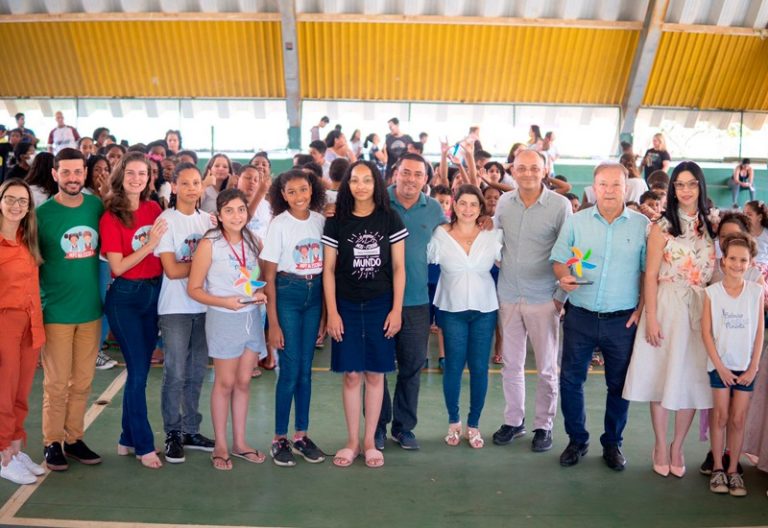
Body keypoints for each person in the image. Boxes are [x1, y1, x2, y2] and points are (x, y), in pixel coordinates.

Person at [551, 161, 649, 471]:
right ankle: (577, 439)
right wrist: (564, 276)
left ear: (625, 187)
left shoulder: (641, 225)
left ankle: (612, 444)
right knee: (570, 381)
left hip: (622, 321)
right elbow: (558, 260)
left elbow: (648, 272)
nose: (609, 191)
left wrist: (641, 309)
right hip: (579, 315)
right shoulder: (576, 222)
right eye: (603, 185)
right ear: (594, 188)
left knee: (619, 386)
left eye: (616, 185)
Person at [623, 161, 716, 478]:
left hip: (698, 309)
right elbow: (649, 275)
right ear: (673, 189)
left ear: (701, 187)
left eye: (692, 184)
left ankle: (678, 446)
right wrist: (650, 317)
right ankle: (661, 445)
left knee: (691, 380)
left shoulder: (710, 226)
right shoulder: (660, 227)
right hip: (664, 305)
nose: (686, 190)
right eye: (680, 184)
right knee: (661, 377)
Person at [322, 160, 407, 468]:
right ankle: (352, 442)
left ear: (377, 184)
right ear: (347, 185)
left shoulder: (390, 219)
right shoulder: (337, 221)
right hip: (345, 304)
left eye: (367, 180)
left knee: (374, 374)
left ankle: (370, 441)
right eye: (354, 180)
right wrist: (332, 312)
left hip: (380, 303)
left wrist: (396, 310)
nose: (360, 186)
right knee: (351, 374)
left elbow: (399, 268)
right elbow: (328, 270)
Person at [493, 149, 572, 452]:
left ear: (545, 170)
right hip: (509, 294)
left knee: (547, 368)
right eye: (521, 168)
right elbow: (496, 242)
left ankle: (544, 425)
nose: (527, 173)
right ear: (513, 170)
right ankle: (514, 421)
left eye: (534, 168)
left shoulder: (559, 206)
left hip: (544, 298)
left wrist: (560, 297)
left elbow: (568, 253)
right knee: (511, 363)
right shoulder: (504, 203)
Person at [188, 189, 268, 470]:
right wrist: (224, 302)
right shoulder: (210, 243)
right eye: (230, 210)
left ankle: (240, 443)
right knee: (225, 383)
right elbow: (194, 289)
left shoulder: (252, 240)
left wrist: (261, 294)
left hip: (251, 317)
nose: (237, 215)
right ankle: (221, 444)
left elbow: (255, 278)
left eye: (241, 210)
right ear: (219, 215)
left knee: (244, 382)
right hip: (223, 318)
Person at [36, 148, 104, 471]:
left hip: (91, 311)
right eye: (67, 172)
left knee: (83, 381)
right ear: (54, 174)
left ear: (85, 174)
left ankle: (74, 438)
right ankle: (52, 442)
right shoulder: (41, 215)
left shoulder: (96, 207)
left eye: (78, 172)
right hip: (57, 313)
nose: (73, 178)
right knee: (56, 383)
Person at [100, 151, 168, 469]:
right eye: (131, 173)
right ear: (121, 175)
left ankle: (127, 437)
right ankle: (143, 445)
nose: (137, 179)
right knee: (139, 372)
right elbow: (119, 267)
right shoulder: (110, 215)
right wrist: (149, 245)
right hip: (125, 297)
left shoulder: (154, 208)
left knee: (139, 373)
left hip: (153, 294)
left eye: (143, 173)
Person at [377, 153, 447, 451]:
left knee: (412, 366)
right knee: (378, 366)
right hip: (378, 298)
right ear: (395, 173)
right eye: (406, 172)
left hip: (417, 301)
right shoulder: (377, 201)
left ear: (426, 179)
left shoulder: (433, 209)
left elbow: (452, 239)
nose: (410, 179)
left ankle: (404, 428)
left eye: (418, 175)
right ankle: (378, 426)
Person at [261, 169, 327, 467]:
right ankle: (279, 438)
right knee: (289, 370)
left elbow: (327, 273)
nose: (299, 196)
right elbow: (269, 276)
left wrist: (325, 315)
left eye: (303, 189)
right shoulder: (279, 224)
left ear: (312, 190)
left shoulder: (320, 221)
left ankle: (301, 435)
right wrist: (272, 323)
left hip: (314, 297)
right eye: (292, 192)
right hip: (288, 292)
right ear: (282, 195)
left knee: (305, 371)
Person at [428, 185, 501, 448]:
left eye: (474, 204)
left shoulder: (492, 234)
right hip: (451, 309)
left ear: (481, 208)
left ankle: (474, 424)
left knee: (480, 368)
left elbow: (510, 261)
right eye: (463, 203)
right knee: (454, 367)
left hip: (484, 309)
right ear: (454, 206)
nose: (468, 209)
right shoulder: (440, 234)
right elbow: (420, 258)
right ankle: (454, 422)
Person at [154, 162, 217, 464]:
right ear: (175, 187)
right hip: (176, 309)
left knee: (195, 373)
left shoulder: (209, 221)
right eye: (186, 183)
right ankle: (172, 432)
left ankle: (191, 429)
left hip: (204, 307)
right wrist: (204, 264)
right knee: (175, 373)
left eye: (197, 183)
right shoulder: (166, 221)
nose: (193, 188)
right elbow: (172, 269)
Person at [702, 232, 764, 496]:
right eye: (733, 259)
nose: (738, 264)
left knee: (738, 420)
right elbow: (706, 332)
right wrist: (720, 366)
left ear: (750, 263)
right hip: (720, 367)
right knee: (721, 416)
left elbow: (760, 331)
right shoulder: (712, 293)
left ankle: (733, 471)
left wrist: (753, 367)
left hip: (745, 369)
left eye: (743, 260)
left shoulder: (756, 292)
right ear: (723, 261)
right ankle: (717, 467)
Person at [0, 179, 46, 485]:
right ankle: (2, 454)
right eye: (11, 199)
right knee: (3, 392)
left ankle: (15, 449)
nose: (17, 206)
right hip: (4, 323)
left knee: (21, 391)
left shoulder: (27, 238)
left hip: (31, 323)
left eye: (23, 201)